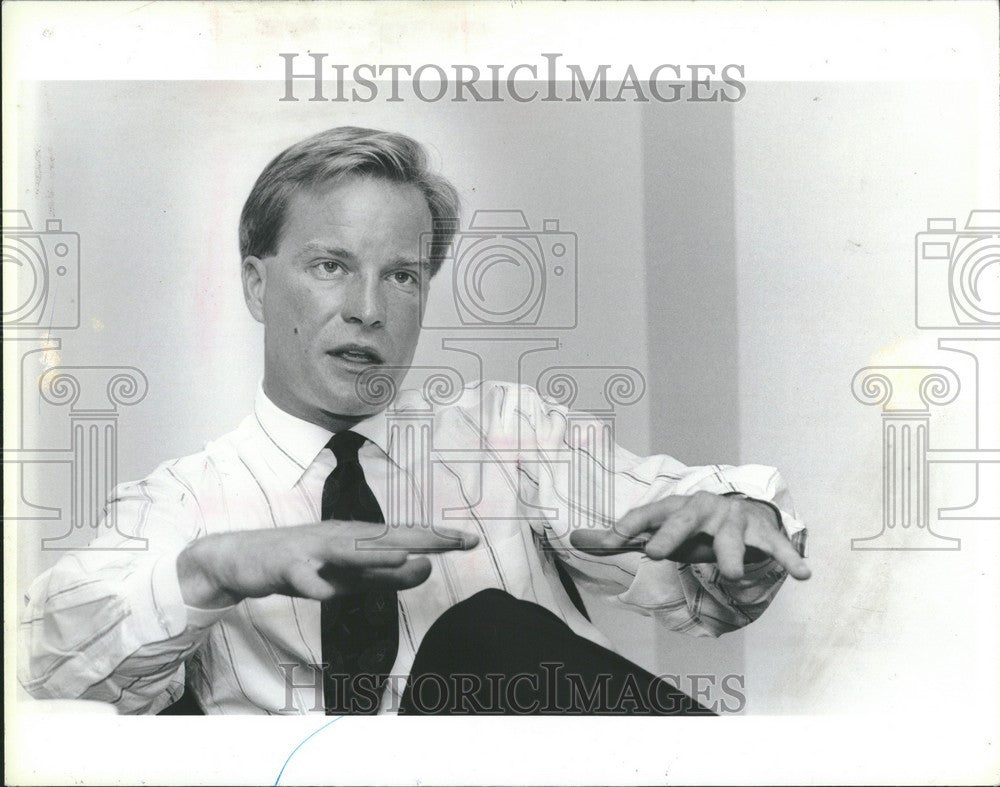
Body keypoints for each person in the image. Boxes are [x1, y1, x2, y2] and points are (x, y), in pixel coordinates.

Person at [19, 126, 809, 716]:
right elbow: (56, 677)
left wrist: (738, 525)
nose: (368, 310)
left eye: (402, 275)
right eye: (331, 266)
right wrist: (215, 569)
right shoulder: (180, 501)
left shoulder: (508, 434)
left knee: (483, 634)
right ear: (258, 286)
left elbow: (702, 586)